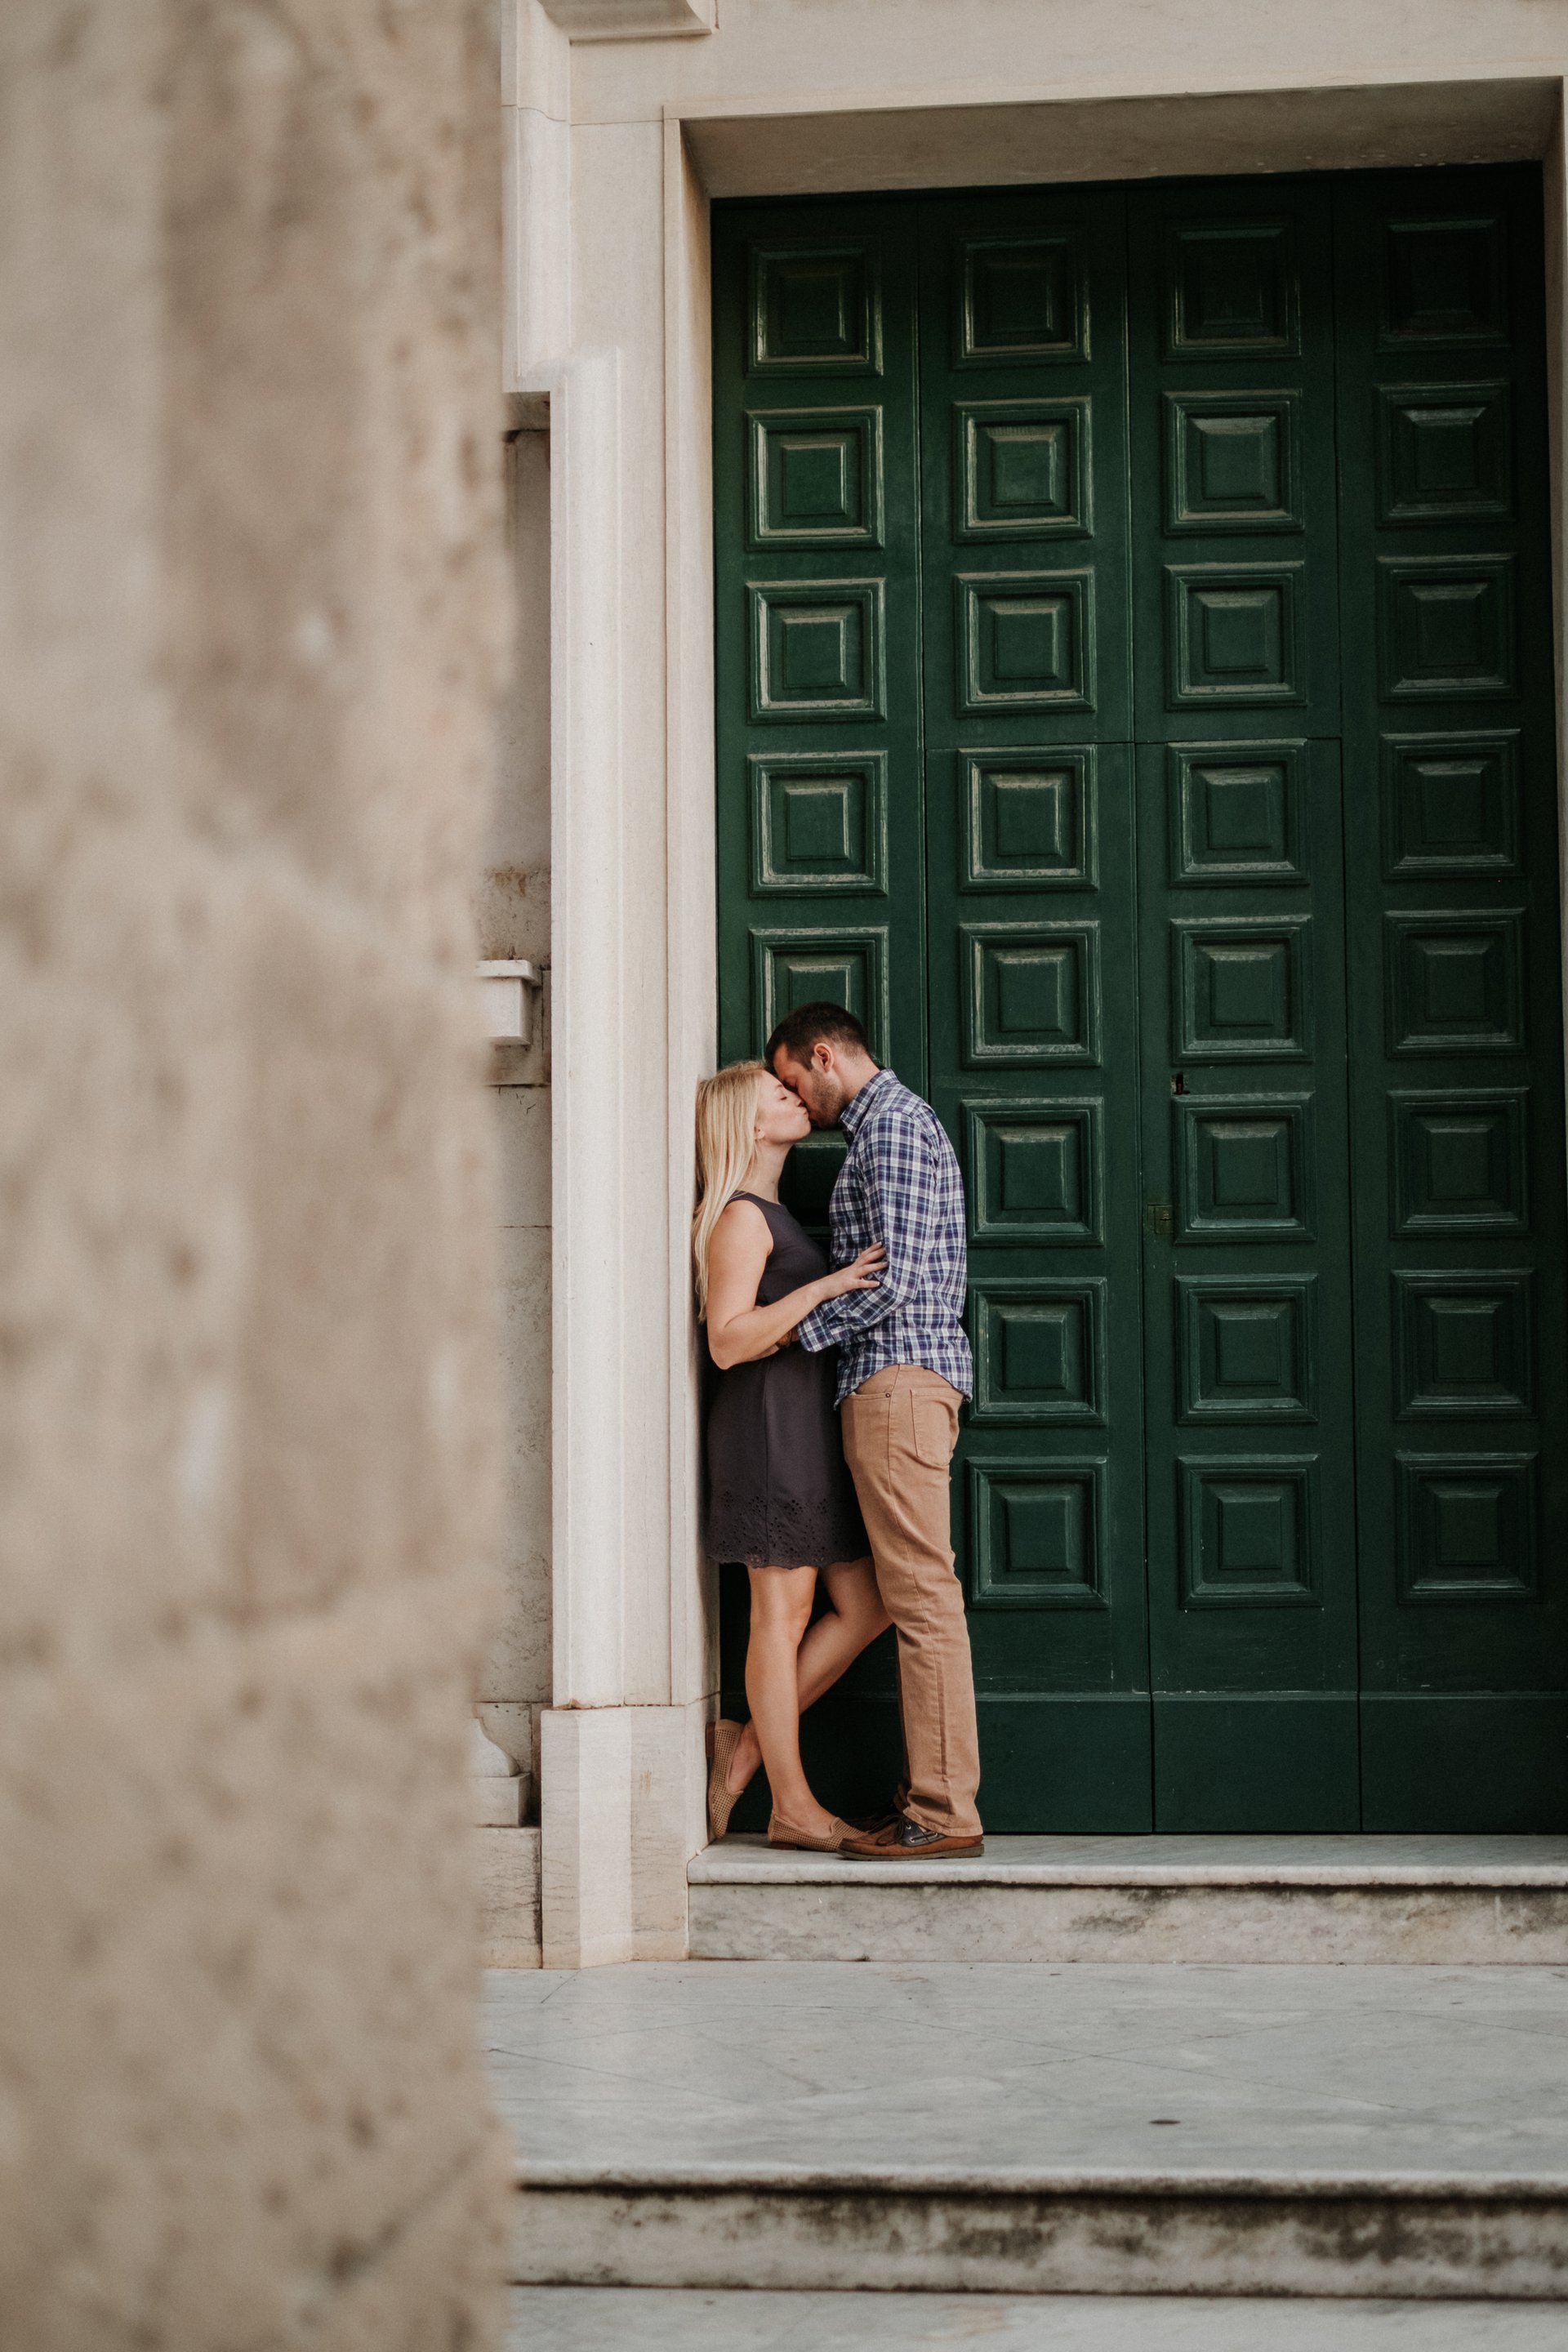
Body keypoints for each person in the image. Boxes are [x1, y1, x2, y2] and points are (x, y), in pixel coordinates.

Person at [767, 1004, 984, 1858]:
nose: (798, 1100)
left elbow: (892, 1280)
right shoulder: (890, 1128)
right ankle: (930, 1795)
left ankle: (940, 1811)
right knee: (908, 1596)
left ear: (824, 1056)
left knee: (922, 1599)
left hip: (896, 1382)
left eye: (794, 1082)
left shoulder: (890, 1128)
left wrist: (785, 1334)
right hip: (894, 1384)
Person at [695, 1060, 892, 1852]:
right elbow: (726, 1341)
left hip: (802, 1430)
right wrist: (828, 1287)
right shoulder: (741, 1218)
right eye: (779, 1096)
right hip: (768, 1430)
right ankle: (792, 1804)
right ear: (748, 1124)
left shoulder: (770, 1211)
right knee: (784, 1617)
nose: (797, 1098)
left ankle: (740, 1755)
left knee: (867, 1606)